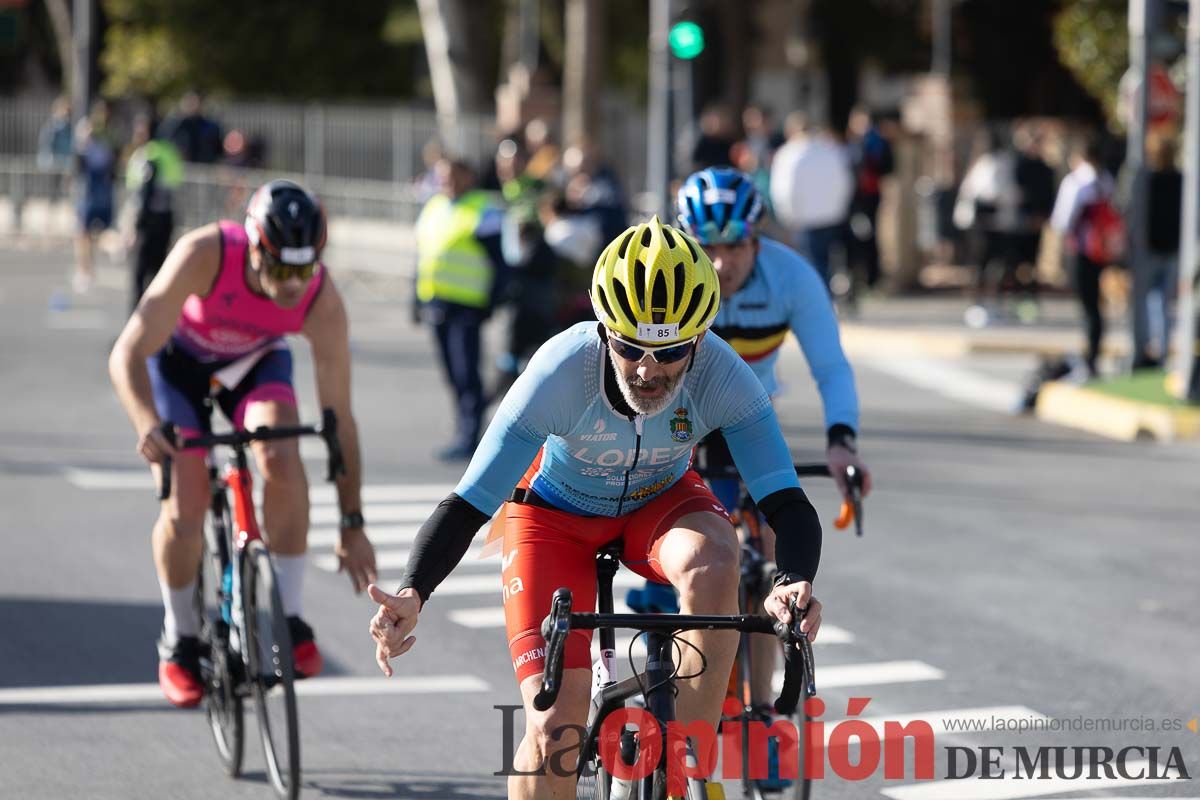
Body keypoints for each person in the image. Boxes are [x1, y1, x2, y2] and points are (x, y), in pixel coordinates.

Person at [368, 216, 825, 799]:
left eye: (671, 351)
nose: (648, 370)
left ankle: (686, 764)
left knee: (717, 559)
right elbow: (468, 502)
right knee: (554, 730)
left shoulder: (722, 374)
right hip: (553, 518)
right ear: (604, 329)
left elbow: (785, 499)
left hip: (659, 503)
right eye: (630, 347)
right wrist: (413, 589)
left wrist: (792, 580)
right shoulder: (562, 370)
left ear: (700, 338)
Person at [625, 168, 871, 788]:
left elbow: (831, 366)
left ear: (756, 239)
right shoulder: (671, 274)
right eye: (706, 244)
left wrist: (842, 441)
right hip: (669, 428)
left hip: (744, 423)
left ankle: (761, 712)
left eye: (734, 245)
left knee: (763, 556)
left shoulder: (790, 277)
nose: (720, 260)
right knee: (672, 565)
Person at [108, 180, 378, 707]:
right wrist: (147, 424)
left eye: (305, 269)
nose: (292, 285)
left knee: (282, 453)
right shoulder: (205, 253)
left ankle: (290, 621)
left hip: (252, 363)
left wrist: (352, 523)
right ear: (254, 246)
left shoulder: (321, 299)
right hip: (177, 367)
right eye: (280, 269)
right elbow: (127, 352)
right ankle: (180, 638)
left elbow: (339, 418)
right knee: (185, 498)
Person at [414, 157, 507, 460]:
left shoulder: (483, 208)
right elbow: (424, 255)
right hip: (437, 301)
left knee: (467, 373)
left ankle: (470, 436)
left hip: (467, 305)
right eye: (442, 177)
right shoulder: (435, 207)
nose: (447, 183)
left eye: (453, 176)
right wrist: (415, 299)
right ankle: (463, 429)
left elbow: (499, 261)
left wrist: (491, 301)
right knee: (452, 373)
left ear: (468, 176)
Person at [1050, 136, 1118, 378]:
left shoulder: (1076, 182)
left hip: (1081, 249)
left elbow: (1062, 219)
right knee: (1096, 305)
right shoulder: (1106, 180)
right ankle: (1094, 353)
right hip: (1103, 249)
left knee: (1088, 305)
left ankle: (1091, 357)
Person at [769, 112, 854, 290]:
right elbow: (845, 182)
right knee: (827, 262)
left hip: (804, 219)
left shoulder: (789, 154)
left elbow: (784, 190)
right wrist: (839, 208)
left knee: (810, 265)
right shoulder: (830, 150)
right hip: (831, 216)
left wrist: (787, 216)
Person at [953, 127, 1022, 328]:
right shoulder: (991, 164)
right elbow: (992, 192)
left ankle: (987, 303)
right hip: (986, 224)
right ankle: (981, 304)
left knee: (990, 266)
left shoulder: (990, 163)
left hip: (991, 224)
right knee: (986, 266)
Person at [124, 114, 185, 313]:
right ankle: (157, 318)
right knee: (159, 272)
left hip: (146, 221)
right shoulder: (169, 152)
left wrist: (133, 226)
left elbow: (141, 193)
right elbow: (176, 183)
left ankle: (137, 318)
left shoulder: (145, 155)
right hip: (165, 218)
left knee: (139, 273)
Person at [1132, 134, 1182, 369]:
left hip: (1151, 248)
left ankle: (1145, 350)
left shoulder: (1147, 180)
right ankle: (1160, 351)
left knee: (1145, 301)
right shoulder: (1181, 180)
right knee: (1161, 303)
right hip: (1171, 248)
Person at [73, 99, 121, 294]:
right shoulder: (110, 135)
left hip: (92, 193)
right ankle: (114, 247)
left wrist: (83, 139)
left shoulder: (92, 135)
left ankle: (86, 272)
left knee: (83, 234)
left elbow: (80, 161)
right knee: (101, 230)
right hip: (104, 191)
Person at [845, 106, 895, 290]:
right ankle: (856, 276)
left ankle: (871, 278)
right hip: (853, 197)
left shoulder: (876, 142)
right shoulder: (851, 144)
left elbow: (887, 168)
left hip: (869, 196)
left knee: (869, 236)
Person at [159, 90, 224, 164]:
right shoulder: (173, 126)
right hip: (180, 167)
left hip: (204, 169)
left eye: (194, 102)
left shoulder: (211, 127)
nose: (191, 105)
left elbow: (218, 150)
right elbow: (164, 145)